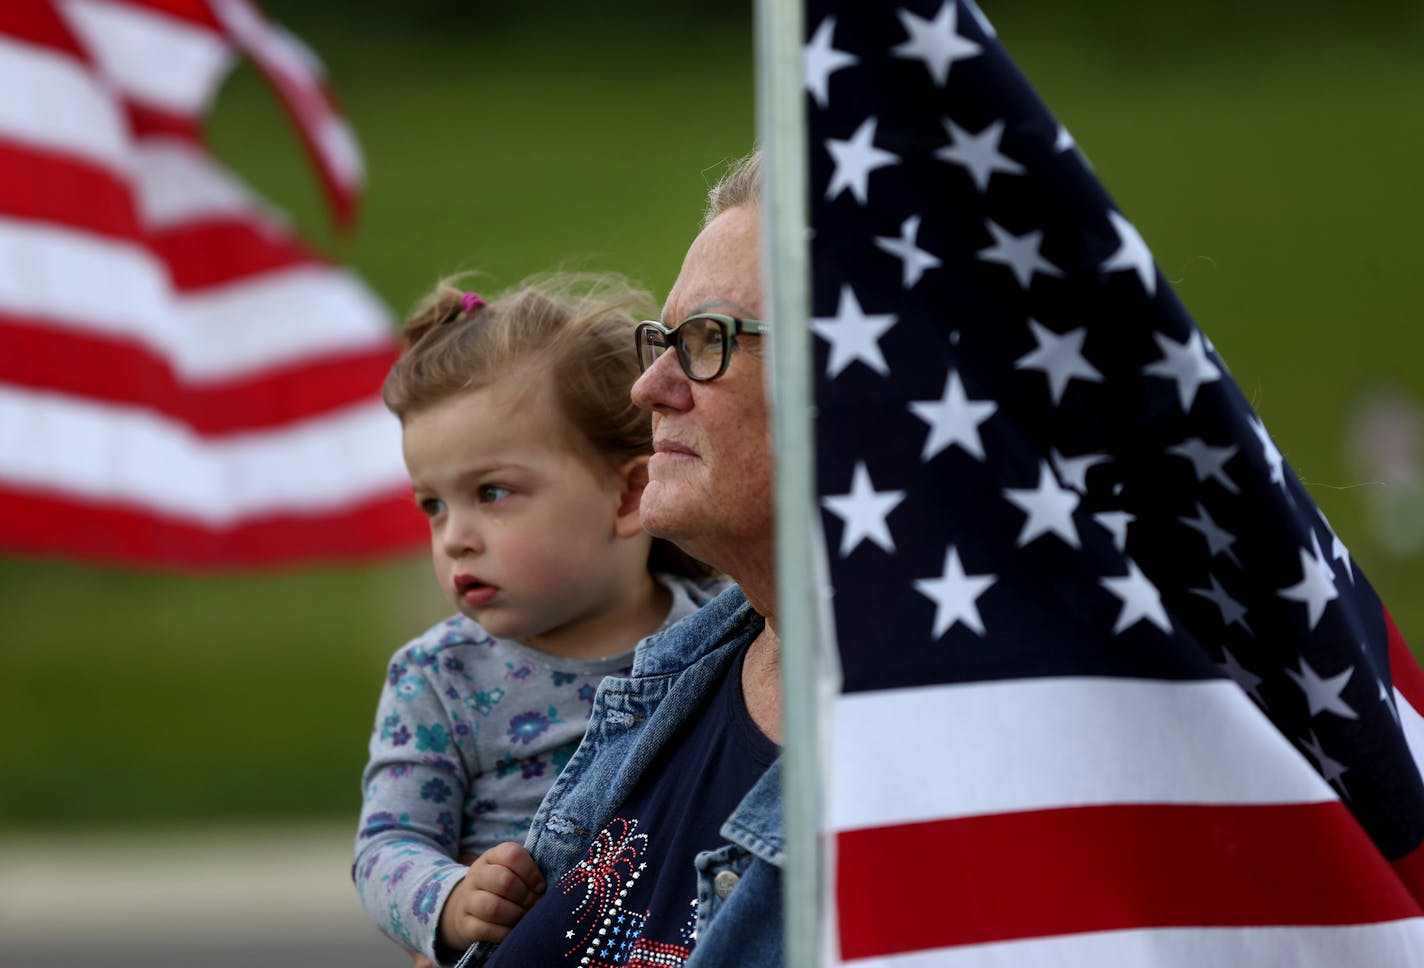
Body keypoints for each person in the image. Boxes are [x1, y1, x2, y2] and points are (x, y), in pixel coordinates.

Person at [464, 153, 782, 967]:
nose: (649, 386)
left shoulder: (949, 783)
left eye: (708, 339)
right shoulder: (675, 677)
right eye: (663, 338)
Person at [353, 275, 724, 967]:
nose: (455, 537)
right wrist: (452, 897)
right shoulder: (439, 678)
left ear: (629, 494)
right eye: (433, 505)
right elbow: (385, 847)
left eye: (492, 493)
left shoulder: (720, 639)